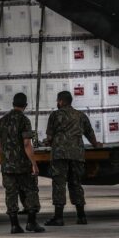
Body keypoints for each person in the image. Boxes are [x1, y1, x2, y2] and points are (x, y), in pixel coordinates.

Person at [44, 91, 102, 226]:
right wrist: (95, 144)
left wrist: (48, 141)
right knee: (76, 183)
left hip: (60, 154)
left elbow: (50, 136)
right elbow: (89, 133)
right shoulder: (80, 115)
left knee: (59, 184)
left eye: (58, 101)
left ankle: (58, 217)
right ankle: (81, 216)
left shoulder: (55, 115)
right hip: (77, 154)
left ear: (61, 101)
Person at [0, 92, 45, 234]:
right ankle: (31, 222)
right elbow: (26, 144)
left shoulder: (2, 121)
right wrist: (34, 164)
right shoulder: (24, 120)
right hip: (23, 166)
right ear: (25, 105)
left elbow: (0, 145)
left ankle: (14, 225)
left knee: (10, 194)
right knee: (31, 191)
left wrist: (6, 160)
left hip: (7, 166)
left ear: (13, 103)